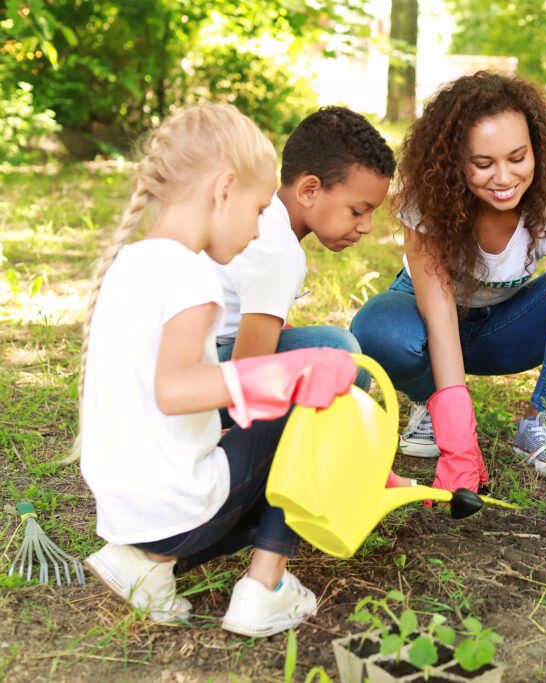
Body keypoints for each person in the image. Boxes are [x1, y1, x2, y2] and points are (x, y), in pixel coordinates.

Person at [76, 103, 360, 636]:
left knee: (258, 432)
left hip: (126, 512)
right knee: (314, 408)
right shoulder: (192, 278)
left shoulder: (135, 262)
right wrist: (282, 376)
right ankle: (266, 587)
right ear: (223, 189)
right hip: (175, 513)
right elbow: (175, 390)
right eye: (256, 209)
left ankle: (147, 568)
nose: (257, 231)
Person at [351, 72, 546, 493]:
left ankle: (543, 421)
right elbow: (440, 320)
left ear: (537, 150)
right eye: (482, 164)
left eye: (517, 158)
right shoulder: (426, 205)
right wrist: (458, 439)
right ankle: (431, 400)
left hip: (502, 329)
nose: (503, 178)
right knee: (379, 329)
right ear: (452, 162)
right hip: (429, 324)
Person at [207, 106, 395, 408]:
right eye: (358, 211)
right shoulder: (279, 251)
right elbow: (247, 374)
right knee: (342, 356)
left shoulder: (261, 215)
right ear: (309, 191)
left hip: (177, 367)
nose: (366, 227)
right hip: (189, 389)